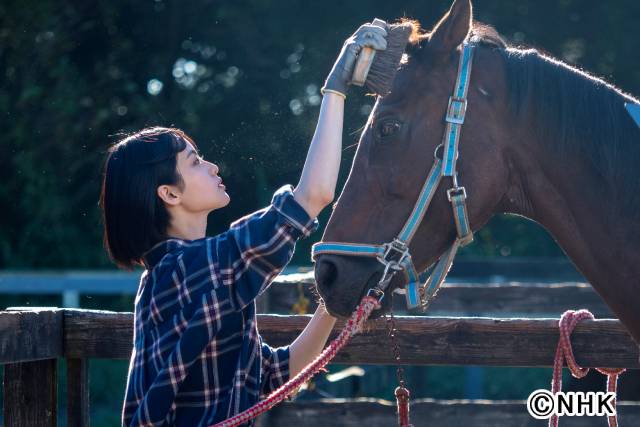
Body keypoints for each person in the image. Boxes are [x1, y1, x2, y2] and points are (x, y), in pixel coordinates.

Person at [98, 22, 387, 427]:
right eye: (195, 162)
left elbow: (273, 374)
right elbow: (313, 195)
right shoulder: (190, 270)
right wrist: (334, 90)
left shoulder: (178, 277)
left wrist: (333, 304)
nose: (213, 166)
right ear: (170, 194)